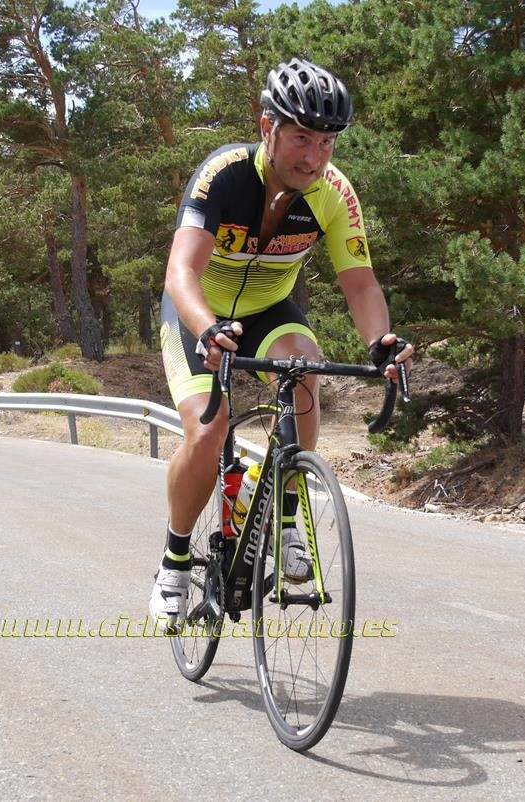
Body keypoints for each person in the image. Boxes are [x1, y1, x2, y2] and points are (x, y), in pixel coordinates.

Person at [149, 58, 414, 628]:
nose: (313, 156)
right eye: (301, 138)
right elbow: (180, 273)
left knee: (304, 374)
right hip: (199, 309)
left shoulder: (334, 194)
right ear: (267, 126)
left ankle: (288, 519)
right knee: (207, 430)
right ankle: (174, 559)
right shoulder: (222, 174)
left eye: (326, 143)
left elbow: (361, 283)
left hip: (269, 308)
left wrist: (380, 343)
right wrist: (206, 329)